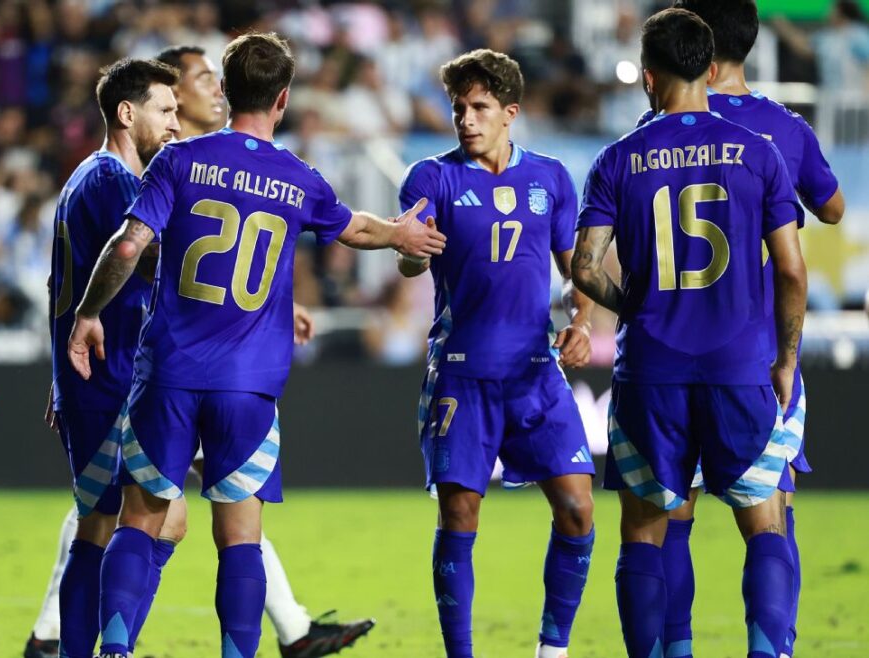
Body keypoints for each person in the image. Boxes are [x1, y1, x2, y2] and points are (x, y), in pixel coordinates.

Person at [66, 32, 445, 658]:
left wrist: (88, 312)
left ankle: (114, 648)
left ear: (225, 88)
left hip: (168, 375)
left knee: (140, 518)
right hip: (249, 385)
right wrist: (401, 233)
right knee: (240, 537)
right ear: (283, 99)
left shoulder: (178, 160)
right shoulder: (299, 178)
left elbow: (129, 244)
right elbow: (355, 228)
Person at [571, 9, 808, 657]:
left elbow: (585, 268)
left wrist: (636, 306)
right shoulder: (757, 153)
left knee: (647, 527)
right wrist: (786, 358)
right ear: (710, 68)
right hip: (741, 366)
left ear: (648, 78)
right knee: (764, 521)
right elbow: (791, 268)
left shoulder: (618, 158)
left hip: (651, 371)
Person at [636, 2, 845, 656]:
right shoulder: (781, 131)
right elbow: (833, 208)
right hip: (751, 353)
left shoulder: (652, 128)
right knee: (770, 515)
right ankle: (770, 648)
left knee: (670, 518)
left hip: (667, 354)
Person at [397, 48, 597, 658]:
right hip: (462, 375)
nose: (466, 119)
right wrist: (411, 252)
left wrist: (582, 319)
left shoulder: (551, 179)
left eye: (479, 107)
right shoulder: (432, 177)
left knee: (578, 508)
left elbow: (574, 271)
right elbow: (410, 256)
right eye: (459, 108)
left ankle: (552, 650)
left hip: (535, 373)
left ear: (511, 111)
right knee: (460, 516)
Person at [32, 58, 182, 658]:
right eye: (164, 110)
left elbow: (58, 283)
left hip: (94, 376)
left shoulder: (84, 179)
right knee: (143, 522)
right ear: (126, 113)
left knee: (107, 523)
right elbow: (146, 256)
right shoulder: (113, 181)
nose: (175, 124)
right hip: (111, 374)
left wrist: (58, 375)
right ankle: (109, 650)